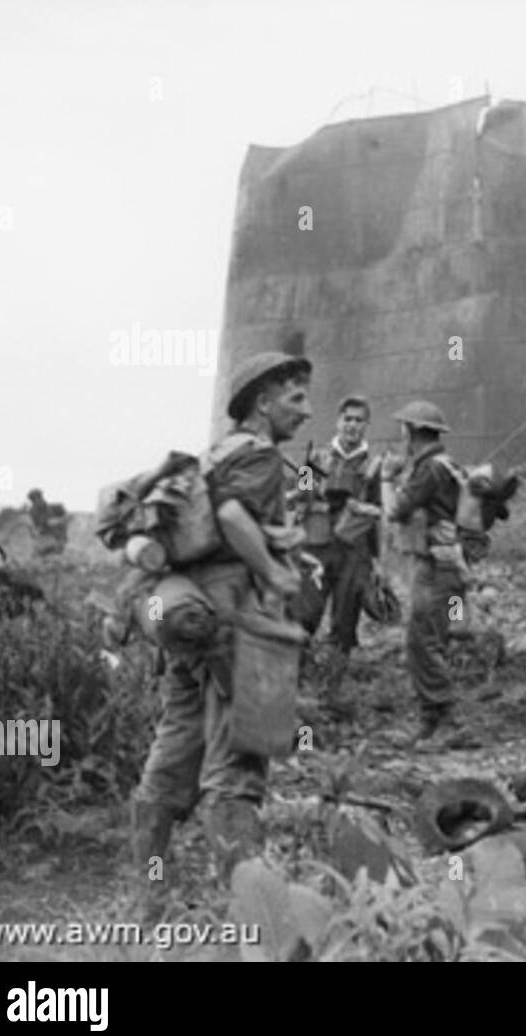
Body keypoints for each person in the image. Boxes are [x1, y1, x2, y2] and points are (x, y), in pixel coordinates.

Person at [129, 350, 311, 909]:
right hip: (235, 626)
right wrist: (276, 573)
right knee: (236, 766)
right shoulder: (259, 457)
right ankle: (251, 916)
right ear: (262, 402)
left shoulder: (210, 457)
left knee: (173, 756)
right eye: (295, 398)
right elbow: (232, 518)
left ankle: (150, 895)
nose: (305, 411)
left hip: (188, 621)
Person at [381, 400, 477, 749]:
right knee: (428, 639)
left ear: (410, 431)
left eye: (402, 429)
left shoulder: (429, 470)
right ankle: (430, 721)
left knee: (422, 641)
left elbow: (394, 510)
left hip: (436, 569)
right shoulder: (445, 465)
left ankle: (450, 721)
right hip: (449, 567)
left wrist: (386, 477)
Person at [296, 396, 383, 705]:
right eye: (347, 419)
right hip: (317, 548)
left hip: (354, 552)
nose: (352, 426)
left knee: (344, 621)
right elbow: (298, 499)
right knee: (304, 613)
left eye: (359, 420)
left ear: (366, 426)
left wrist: (376, 560)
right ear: (338, 422)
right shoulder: (317, 458)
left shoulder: (375, 466)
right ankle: (296, 686)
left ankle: (331, 695)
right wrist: (311, 494)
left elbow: (381, 513)